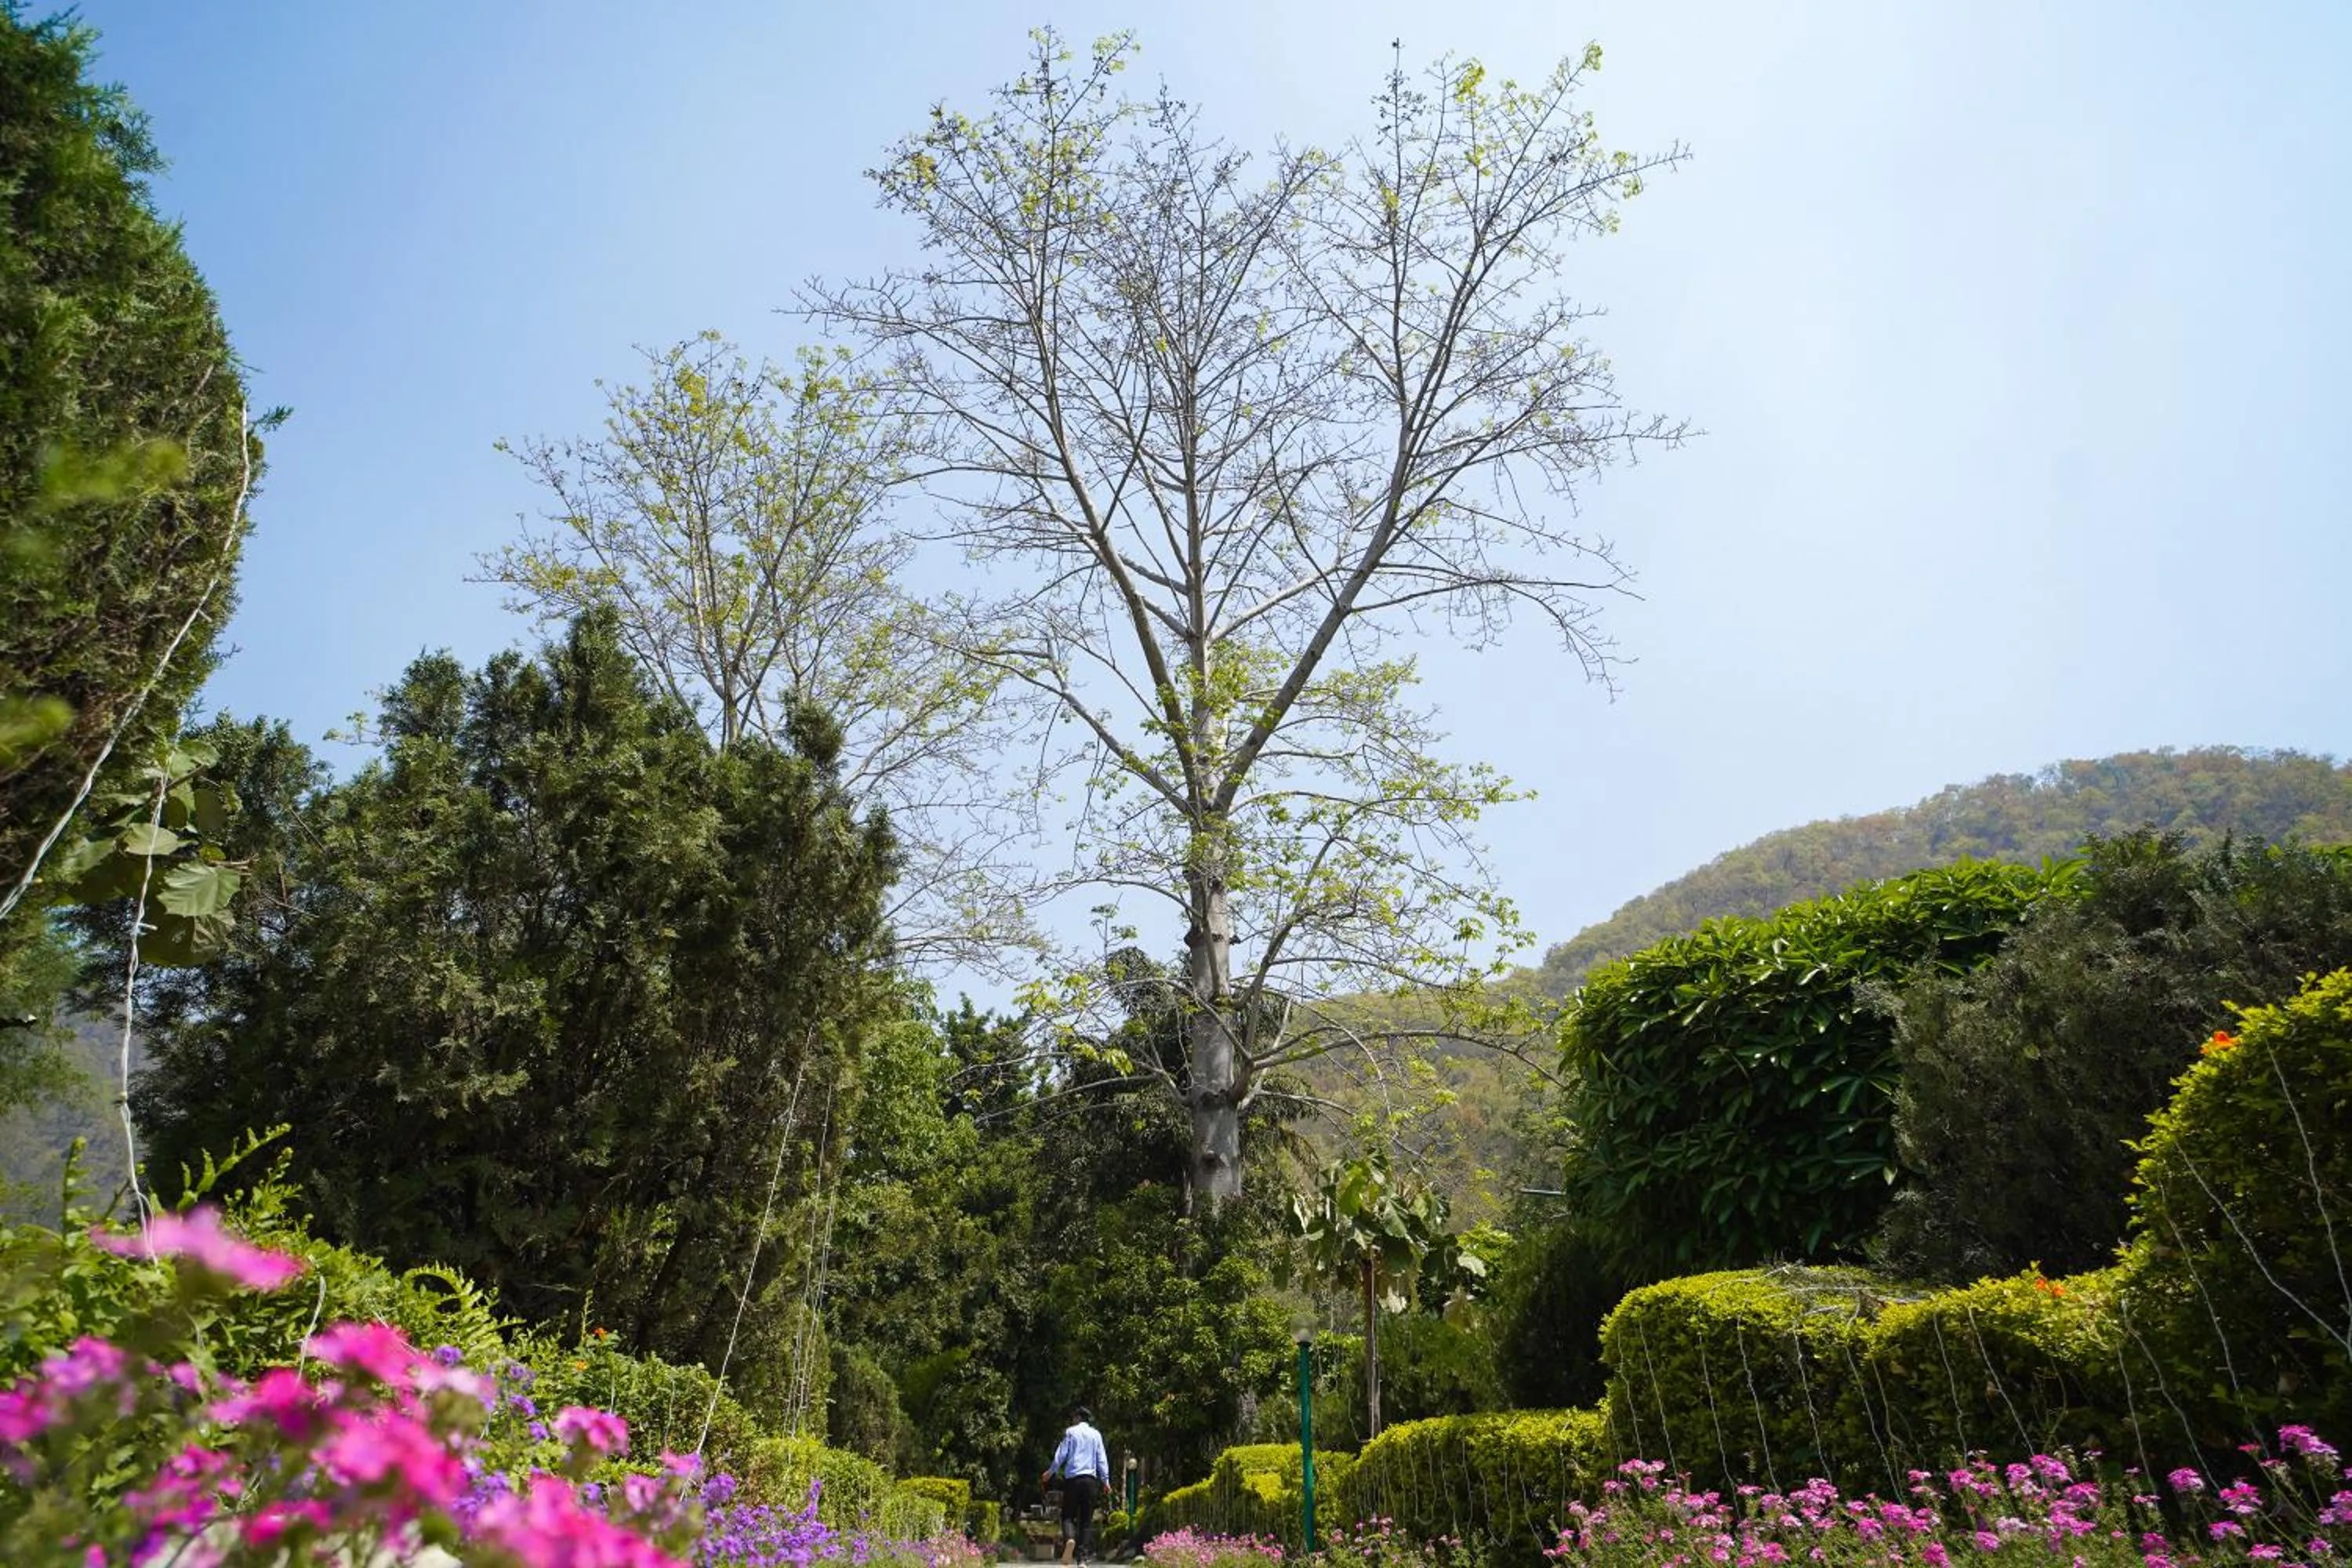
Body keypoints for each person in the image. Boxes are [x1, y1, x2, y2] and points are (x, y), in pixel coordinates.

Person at [1042, 1403, 1110, 1564]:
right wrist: (1106, 1481)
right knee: (1086, 1521)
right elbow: (1102, 1459)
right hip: (1090, 1481)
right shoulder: (1096, 1435)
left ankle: (1069, 1540)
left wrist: (1050, 1472)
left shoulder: (1071, 1432)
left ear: (1078, 1418)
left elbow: (1061, 1455)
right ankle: (1082, 1560)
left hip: (1073, 1481)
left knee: (1067, 1516)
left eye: (1074, 1417)